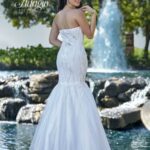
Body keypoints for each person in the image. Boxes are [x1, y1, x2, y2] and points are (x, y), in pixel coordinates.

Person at [29, 0, 111, 149]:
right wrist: (93, 15)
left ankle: (61, 135)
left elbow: (52, 40)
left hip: (64, 55)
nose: (78, 0)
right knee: (78, 87)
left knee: (64, 87)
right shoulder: (78, 13)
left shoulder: (58, 16)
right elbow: (90, 35)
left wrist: (66, 45)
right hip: (76, 55)